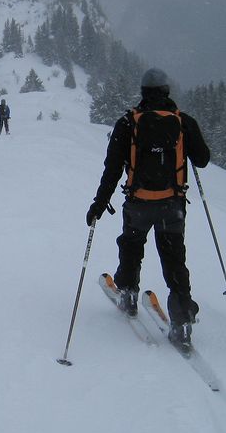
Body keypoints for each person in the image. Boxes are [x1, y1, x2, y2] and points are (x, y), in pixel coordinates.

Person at [85, 67, 210, 346]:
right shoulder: (183, 122)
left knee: (131, 245)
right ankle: (181, 321)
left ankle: (128, 293)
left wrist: (99, 204)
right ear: (167, 91)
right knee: (174, 260)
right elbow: (202, 159)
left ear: (142, 92)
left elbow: (113, 169)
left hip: (139, 203)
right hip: (172, 205)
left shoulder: (128, 123)